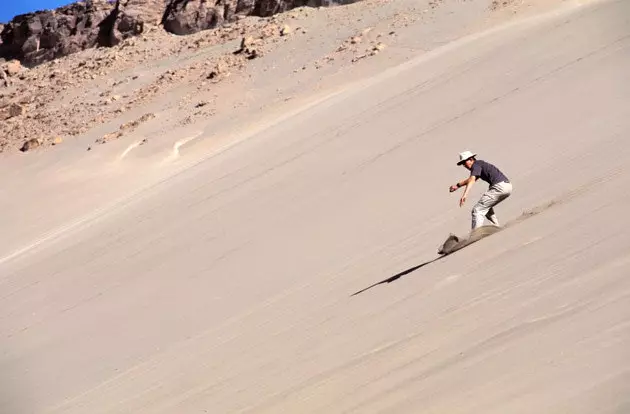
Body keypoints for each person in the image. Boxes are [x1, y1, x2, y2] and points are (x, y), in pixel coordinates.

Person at [449, 151, 512, 229]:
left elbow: (472, 180)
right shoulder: (480, 164)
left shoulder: (476, 165)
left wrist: (464, 195)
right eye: (462, 164)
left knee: (477, 210)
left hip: (499, 187)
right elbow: (471, 179)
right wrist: (458, 185)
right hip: (507, 186)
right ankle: (496, 228)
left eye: (464, 162)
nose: (464, 165)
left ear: (471, 159)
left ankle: (476, 234)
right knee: (486, 207)